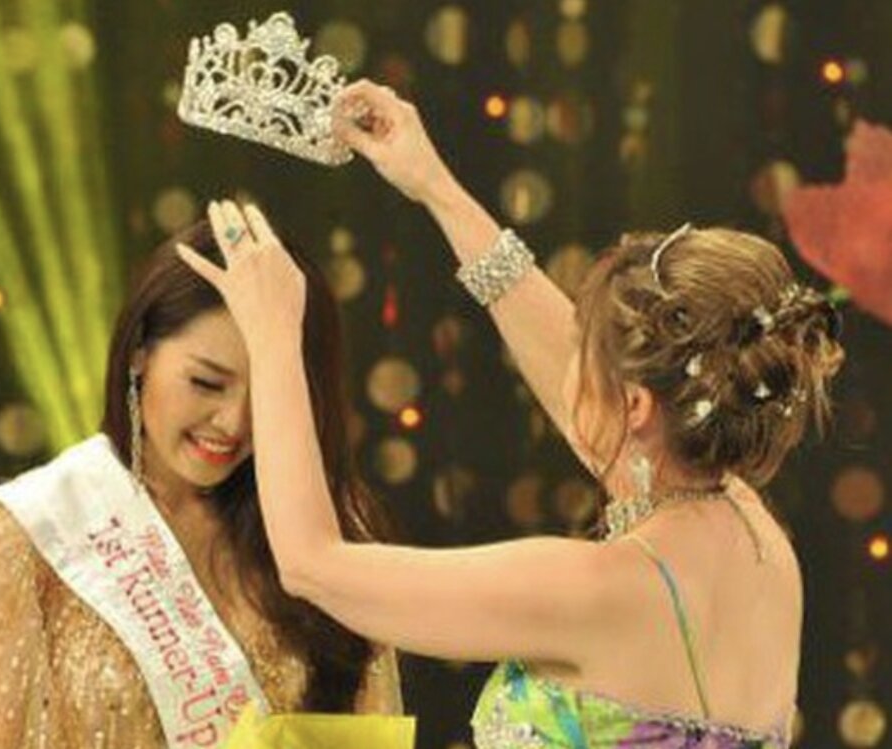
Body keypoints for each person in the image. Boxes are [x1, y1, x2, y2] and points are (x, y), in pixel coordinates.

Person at [177, 81, 844, 748]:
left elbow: (312, 565)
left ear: (636, 406)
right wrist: (435, 187)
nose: (569, 363)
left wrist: (271, 332)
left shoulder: (593, 590)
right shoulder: (753, 535)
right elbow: (585, 394)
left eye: (588, 351)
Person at [0, 220, 402, 749]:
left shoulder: (323, 527)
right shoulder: (33, 531)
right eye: (206, 382)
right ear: (140, 353)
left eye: (268, 392)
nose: (234, 421)